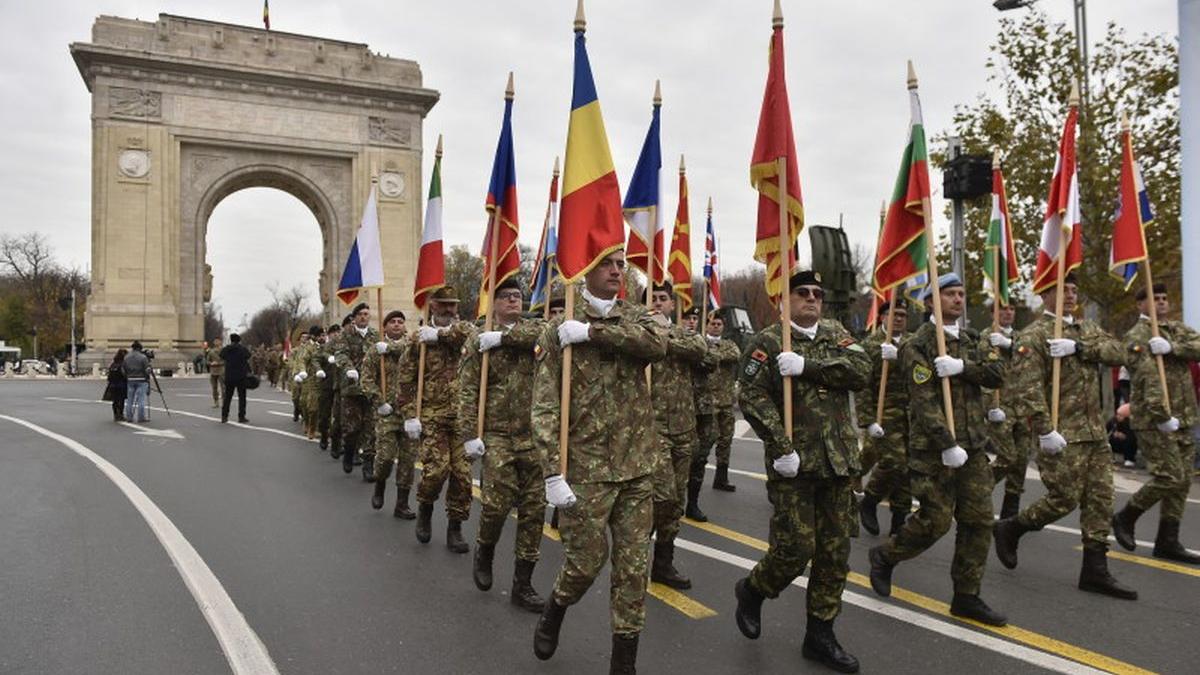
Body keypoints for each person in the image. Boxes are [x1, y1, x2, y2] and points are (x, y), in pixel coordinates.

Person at [531, 250, 668, 672]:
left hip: (637, 467)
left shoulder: (637, 317)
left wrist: (592, 333)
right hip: (585, 470)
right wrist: (552, 471)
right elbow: (545, 407)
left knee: (632, 569)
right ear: (583, 271)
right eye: (606, 263)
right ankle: (556, 605)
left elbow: (657, 345)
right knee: (586, 563)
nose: (616, 270)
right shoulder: (556, 331)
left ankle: (623, 660)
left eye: (621, 263)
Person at [731, 270, 869, 673]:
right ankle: (754, 589)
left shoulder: (834, 332)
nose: (812, 299)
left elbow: (861, 371)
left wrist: (807, 366)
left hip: (838, 462)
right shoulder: (767, 343)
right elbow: (753, 398)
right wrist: (780, 446)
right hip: (794, 465)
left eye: (817, 294)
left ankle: (820, 634)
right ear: (784, 299)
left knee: (834, 553)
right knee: (796, 548)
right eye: (803, 293)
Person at [867, 273, 1008, 627]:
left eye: (961, 294)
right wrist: (946, 443)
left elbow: (997, 372)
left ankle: (966, 595)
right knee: (936, 522)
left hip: (973, 446)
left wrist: (964, 367)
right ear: (931, 302)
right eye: (950, 295)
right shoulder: (919, 343)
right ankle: (885, 555)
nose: (958, 300)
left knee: (978, 522)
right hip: (934, 450)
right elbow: (924, 401)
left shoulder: (973, 339)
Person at [992, 272, 1136, 599]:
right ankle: (1011, 527)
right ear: (1045, 295)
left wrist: (1081, 348)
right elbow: (1026, 389)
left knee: (1101, 498)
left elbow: (1120, 352)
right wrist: (1044, 430)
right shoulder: (1035, 335)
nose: (1070, 295)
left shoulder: (1085, 329)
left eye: (1073, 290)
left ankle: (1095, 569)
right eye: (1062, 290)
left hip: (1094, 432)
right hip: (1060, 432)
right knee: (1064, 498)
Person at [457, 278, 547, 612]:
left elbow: (546, 336)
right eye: (506, 297)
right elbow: (467, 390)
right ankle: (485, 548)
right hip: (496, 434)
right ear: (492, 302)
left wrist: (506, 337)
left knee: (534, 511)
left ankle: (523, 584)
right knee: (496, 505)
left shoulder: (535, 331)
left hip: (534, 435)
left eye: (517, 297)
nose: (513, 301)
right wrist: (469, 434)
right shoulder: (477, 340)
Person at [1111, 283, 1200, 564]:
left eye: (1164, 298)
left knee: (1182, 481)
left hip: (1184, 417)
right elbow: (1148, 378)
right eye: (1154, 298)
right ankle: (1126, 517)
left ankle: (1168, 539)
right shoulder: (1136, 336)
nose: (1161, 303)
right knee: (1170, 476)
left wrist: (1173, 347)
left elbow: (1198, 346)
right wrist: (1162, 416)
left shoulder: (1175, 330)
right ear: (1141, 305)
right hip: (1154, 420)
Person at [397, 287, 475, 550]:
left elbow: (470, 334)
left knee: (463, 477)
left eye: (453, 305)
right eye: (443, 305)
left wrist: (440, 334)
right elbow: (406, 379)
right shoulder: (417, 339)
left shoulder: (462, 331)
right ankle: (425, 510)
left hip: (463, 417)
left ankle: (456, 528)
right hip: (432, 415)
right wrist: (409, 415)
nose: (450, 310)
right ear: (432, 306)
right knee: (436, 471)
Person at [644, 284, 709, 590]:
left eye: (662, 299)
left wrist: (663, 336)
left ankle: (663, 563)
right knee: (661, 495)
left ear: (673, 305)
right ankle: (632, 553)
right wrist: (652, 333)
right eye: (652, 298)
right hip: (649, 428)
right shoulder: (637, 331)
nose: (657, 303)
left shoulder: (684, 334)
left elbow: (700, 350)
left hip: (683, 429)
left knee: (675, 502)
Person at [856, 298, 913, 537]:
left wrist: (901, 357)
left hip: (911, 415)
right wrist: (868, 421)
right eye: (893, 314)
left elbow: (925, 373)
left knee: (907, 469)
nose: (898, 318)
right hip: (884, 414)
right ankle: (869, 501)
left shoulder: (912, 343)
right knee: (894, 461)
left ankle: (899, 518)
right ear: (882, 317)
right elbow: (862, 386)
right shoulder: (871, 345)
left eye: (902, 314)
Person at [983, 301, 1033, 519]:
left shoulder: (1022, 338)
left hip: (1021, 406)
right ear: (992, 312)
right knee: (1008, 457)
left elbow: (1030, 356)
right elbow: (982, 374)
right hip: (999, 407)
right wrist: (990, 407)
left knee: (1021, 460)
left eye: (1011, 308)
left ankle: (1010, 510)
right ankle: (978, 488)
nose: (1008, 312)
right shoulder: (985, 337)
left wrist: (1010, 345)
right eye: (1002, 308)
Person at [364, 311, 415, 518]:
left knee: (408, 460)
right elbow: (366, 380)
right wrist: (379, 402)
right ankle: (380, 485)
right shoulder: (375, 351)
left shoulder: (413, 348)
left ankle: (402, 504)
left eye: (400, 322)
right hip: (387, 412)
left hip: (410, 412)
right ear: (384, 327)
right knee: (385, 457)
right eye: (392, 322)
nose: (396, 325)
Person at [693, 311, 742, 495]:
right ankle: (696, 478)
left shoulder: (729, 344)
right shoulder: (698, 342)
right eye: (712, 323)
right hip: (707, 403)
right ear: (706, 325)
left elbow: (735, 355)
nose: (715, 326)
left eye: (719, 324)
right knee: (706, 442)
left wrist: (712, 352)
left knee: (726, 440)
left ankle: (721, 477)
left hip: (726, 401)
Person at [335, 303, 381, 479]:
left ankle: (368, 465)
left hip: (370, 390)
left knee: (370, 428)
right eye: (360, 314)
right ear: (354, 318)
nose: (364, 317)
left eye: (366, 314)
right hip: (352, 389)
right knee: (352, 428)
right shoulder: (345, 335)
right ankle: (348, 453)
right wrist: (348, 368)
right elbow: (340, 354)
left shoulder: (375, 336)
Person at [316, 324, 342, 452]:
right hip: (327, 384)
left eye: (338, 332)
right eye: (333, 333)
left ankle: (337, 443)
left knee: (339, 416)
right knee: (324, 414)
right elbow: (315, 360)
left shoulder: (344, 346)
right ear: (329, 335)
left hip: (340, 386)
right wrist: (319, 370)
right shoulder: (324, 348)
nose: (336, 335)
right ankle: (324, 436)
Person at [220, 333, 252, 424]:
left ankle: (224, 416)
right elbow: (248, 355)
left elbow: (221, 355)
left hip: (229, 376)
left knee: (227, 397)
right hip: (241, 376)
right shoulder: (242, 349)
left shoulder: (227, 349)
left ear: (231, 340)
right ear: (239, 340)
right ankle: (241, 416)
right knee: (242, 397)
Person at [122, 341, 152, 423]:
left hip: (130, 380)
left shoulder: (126, 357)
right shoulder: (143, 357)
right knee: (141, 399)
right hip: (141, 380)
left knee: (129, 400)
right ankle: (141, 417)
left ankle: (129, 417)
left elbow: (123, 370)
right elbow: (147, 370)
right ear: (139, 348)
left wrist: (127, 376)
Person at [1107, 404, 1138, 468]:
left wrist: (1124, 436)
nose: (1118, 417)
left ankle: (1129, 459)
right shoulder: (1113, 421)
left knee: (1129, 441)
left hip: (1128, 444)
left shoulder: (1130, 423)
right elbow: (1106, 430)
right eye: (1117, 414)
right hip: (1116, 442)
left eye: (1121, 415)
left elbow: (1133, 436)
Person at [107, 349, 128, 422]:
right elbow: (124, 374)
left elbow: (109, 376)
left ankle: (115, 414)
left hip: (113, 385)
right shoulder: (122, 364)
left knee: (115, 400)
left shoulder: (113, 364)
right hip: (121, 384)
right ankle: (121, 415)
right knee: (121, 400)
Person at [205, 338, 225, 408]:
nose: (216, 342)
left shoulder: (223, 351)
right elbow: (207, 361)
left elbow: (226, 361)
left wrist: (218, 363)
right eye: (215, 341)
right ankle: (216, 402)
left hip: (221, 371)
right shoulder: (210, 351)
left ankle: (224, 402)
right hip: (213, 371)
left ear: (221, 342)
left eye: (218, 341)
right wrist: (211, 363)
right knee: (214, 388)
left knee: (223, 387)